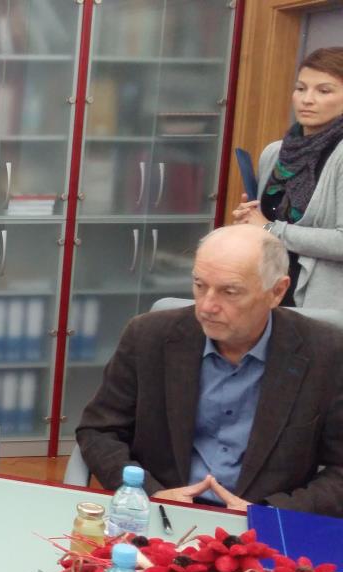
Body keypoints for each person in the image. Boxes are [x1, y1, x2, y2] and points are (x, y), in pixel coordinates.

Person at [76, 225, 343, 516]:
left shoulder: (327, 353)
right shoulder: (148, 336)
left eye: (230, 292)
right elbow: (99, 430)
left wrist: (268, 512)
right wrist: (150, 494)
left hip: (265, 520)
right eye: (200, 285)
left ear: (277, 292)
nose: (206, 306)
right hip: (162, 511)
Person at [232, 47, 343, 308]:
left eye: (324, 91)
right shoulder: (275, 152)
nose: (307, 99)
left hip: (323, 304)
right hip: (269, 290)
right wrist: (248, 220)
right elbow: (265, 226)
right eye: (300, 88)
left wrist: (269, 229)